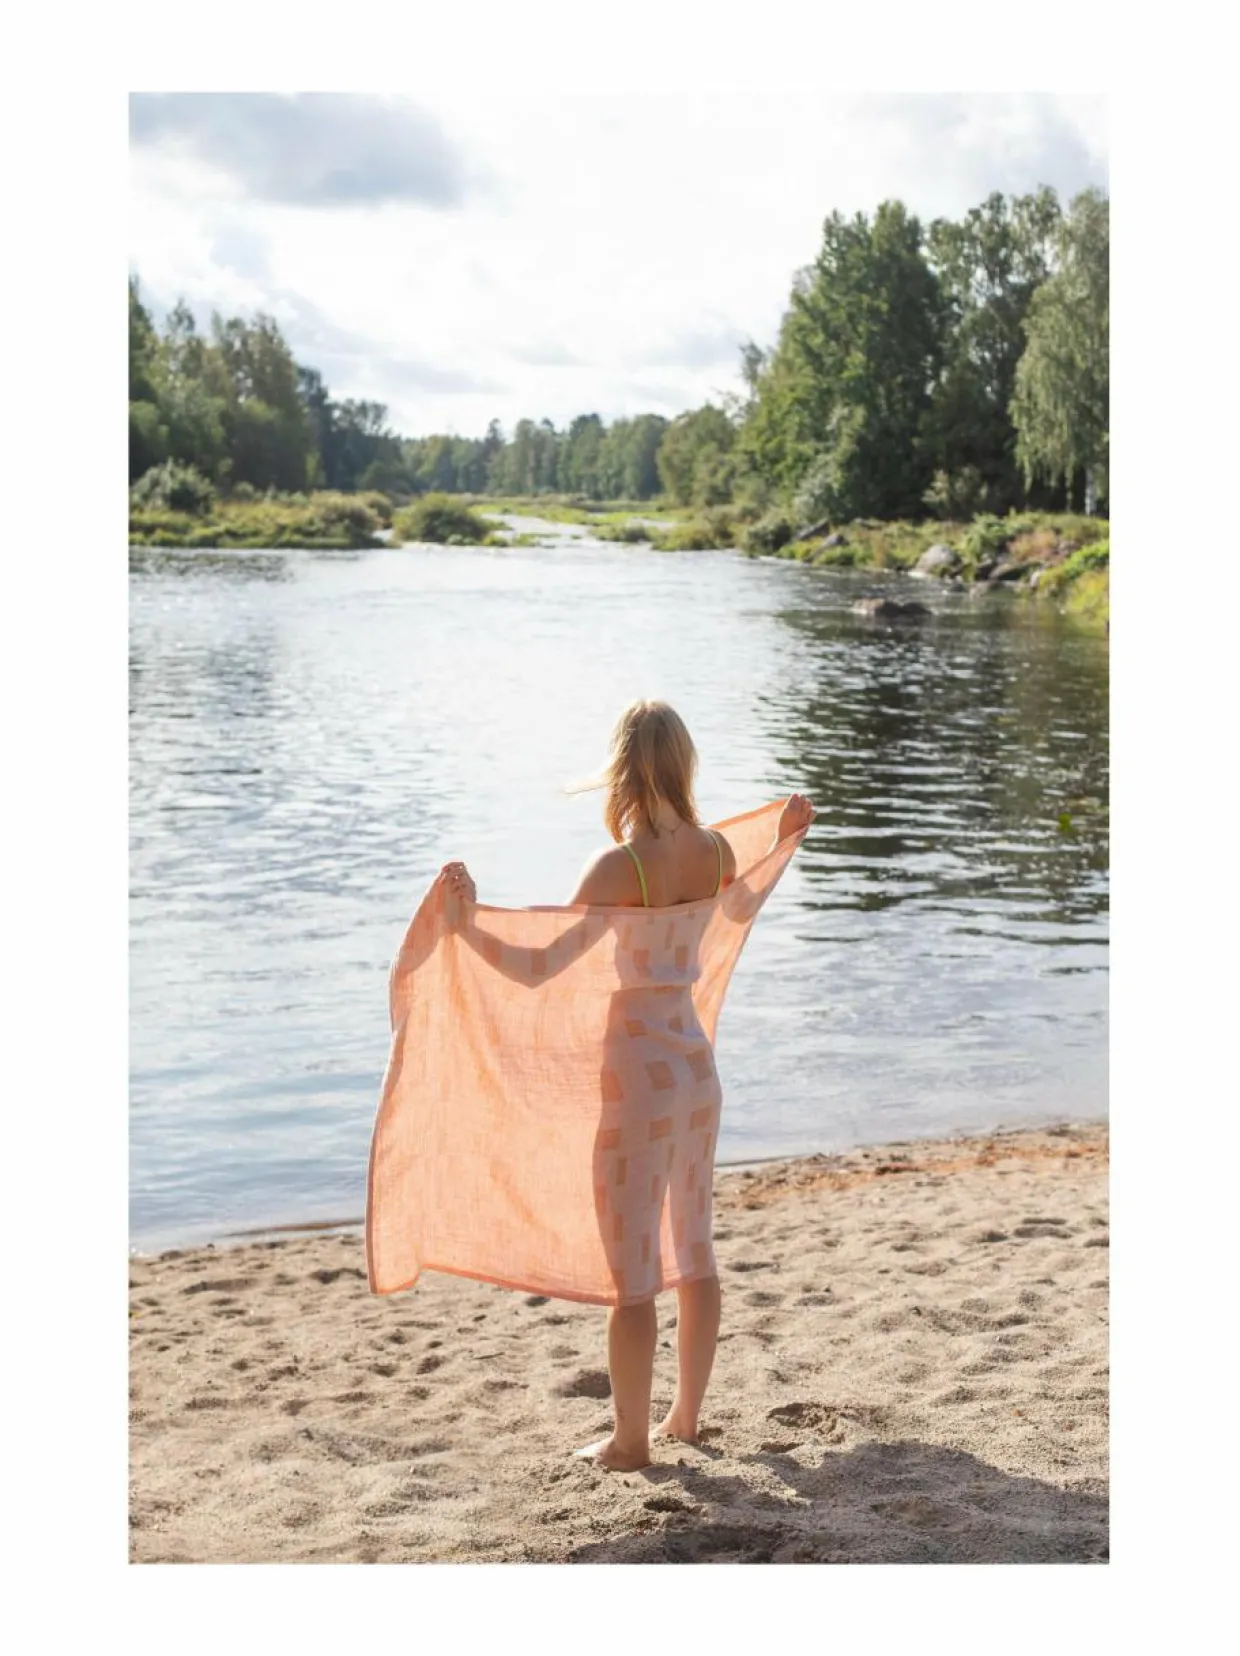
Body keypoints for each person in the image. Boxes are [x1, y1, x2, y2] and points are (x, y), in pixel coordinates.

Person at [440, 700, 814, 1470]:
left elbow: (538, 968)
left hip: (636, 1082)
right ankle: (686, 1419)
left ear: (622, 768)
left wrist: (466, 923)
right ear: (683, 763)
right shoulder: (715, 853)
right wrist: (784, 839)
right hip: (694, 1071)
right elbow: (744, 906)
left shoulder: (619, 867)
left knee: (632, 1274)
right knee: (695, 1252)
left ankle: (630, 1441)